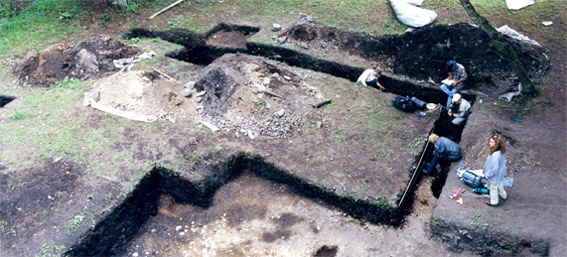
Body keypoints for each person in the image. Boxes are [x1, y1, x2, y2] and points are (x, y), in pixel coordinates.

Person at [483, 134, 508, 207]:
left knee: (493, 188)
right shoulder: (501, 151)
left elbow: (494, 169)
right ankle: (504, 195)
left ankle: (494, 201)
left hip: (494, 175)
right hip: (500, 173)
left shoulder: (495, 156)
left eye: (492, 142)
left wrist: (488, 175)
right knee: (499, 184)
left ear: (496, 144)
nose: (489, 143)